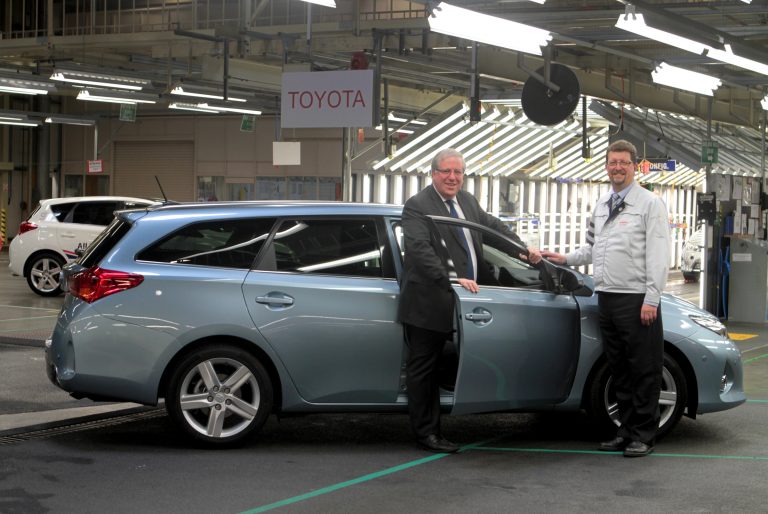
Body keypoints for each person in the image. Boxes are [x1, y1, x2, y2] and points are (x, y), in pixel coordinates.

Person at [398, 148, 541, 453]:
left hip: (467, 303)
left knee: (449, 364)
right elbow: (420, 251)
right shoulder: (418, 205)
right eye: (446, 172)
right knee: (424, 370)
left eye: (458, 172)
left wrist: (522, 250)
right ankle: (427, 434)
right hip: (430, 301)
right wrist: (451, 279)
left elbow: (492, 229)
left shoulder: (467, 201)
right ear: (433, 174)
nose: (453, 177)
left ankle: (452, 417)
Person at [540, 139, 670, 458]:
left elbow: (658, 255)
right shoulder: (602, 204)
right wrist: (565, 258)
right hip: (607, 298)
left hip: (636, 299)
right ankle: (624, 431)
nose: (617, 168)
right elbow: (593, 248)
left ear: (634, 166)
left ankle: (644, 435)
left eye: (623, 162)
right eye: (613, 162)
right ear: (606, 166)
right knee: (619, 369)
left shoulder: (649, 204)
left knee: (644, 369)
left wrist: (652, 299)